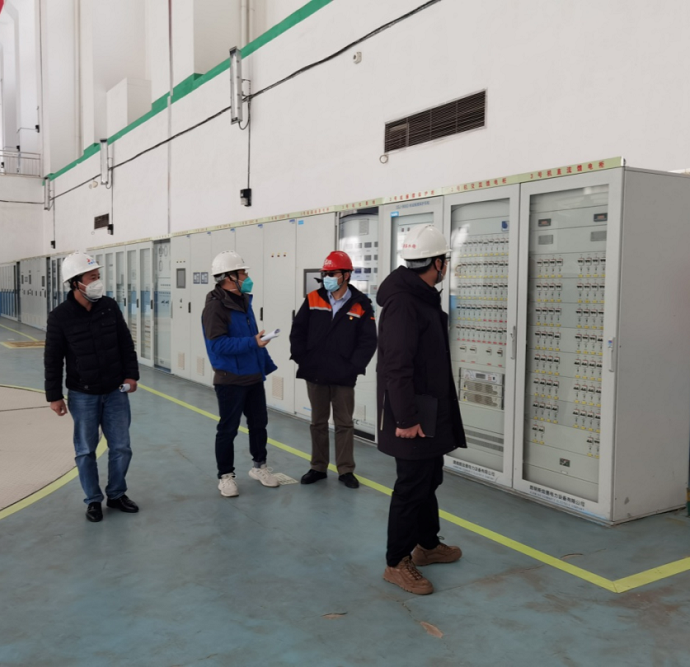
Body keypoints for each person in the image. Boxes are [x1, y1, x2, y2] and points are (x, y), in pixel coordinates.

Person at [376, 225, 467, 595]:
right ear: (437, 263)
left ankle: (427, 545)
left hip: (429, 409)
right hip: (413, 414)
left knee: (429, 478)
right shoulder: (404, 303)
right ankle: (396, 562)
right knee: (411, 485)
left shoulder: (421, 295)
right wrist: (406, 418)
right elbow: (396, 366)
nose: (446, 266)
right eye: (444, 260)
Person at [44, 251, 140, 523]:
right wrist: (54, 396)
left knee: (121, 447)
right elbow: (53, 359)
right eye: (92, 277)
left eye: (98, 276)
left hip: (115, 391)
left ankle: (117, 494)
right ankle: (93, 500)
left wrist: (131, 376)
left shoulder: (109, 306)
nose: (98, 281)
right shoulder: (60, 316)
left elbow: (125, 343)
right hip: (82, 394)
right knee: (86, 450)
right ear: (76, 282)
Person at [290, 251, 377, 489]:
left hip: (343, 375)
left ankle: (345, 470)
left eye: (332, 273)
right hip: (315, 372)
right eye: (325, 273)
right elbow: (298, 331)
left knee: (344, 423)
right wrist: (303, 359)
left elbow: (368, 341)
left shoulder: (361, 303)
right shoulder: (313, 298)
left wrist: (353, 368)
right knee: (317, 422)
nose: (327, 278)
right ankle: (318, 467)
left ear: (346, 275)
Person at [202, 250, 280, 497]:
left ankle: (260, 467)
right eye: (243, 273)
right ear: (229, 277)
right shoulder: (215, 308)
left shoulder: (244, 301)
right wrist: (252, 342)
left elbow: (252, 338)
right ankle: (225, 476)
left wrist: (263, 362)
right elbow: (218, 345)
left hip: (252, 376)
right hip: (230, 379)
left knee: (259, 425)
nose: (247, 277)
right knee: (228, 429)